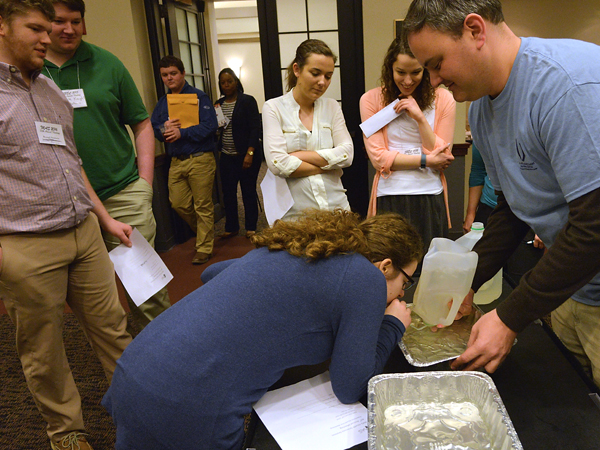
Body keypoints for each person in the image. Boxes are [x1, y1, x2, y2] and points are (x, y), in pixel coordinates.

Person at [102, 209, 421, 450]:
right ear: (385, 266)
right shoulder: (367, 279)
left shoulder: (303, 247)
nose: (402, 293)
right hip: (185, 408)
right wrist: (392, 324)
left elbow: (211, 274)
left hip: (135, 372)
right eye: (405, 282)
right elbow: (350, 386)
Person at [404, 0, 600, 386]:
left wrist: (510, 316)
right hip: (570, 289)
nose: (434, 80)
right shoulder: (480, 110)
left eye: (436, 63)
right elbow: (512, 209)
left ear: (475, 30)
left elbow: (595, 225)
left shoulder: (567, 86)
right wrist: (468, 283)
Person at [0, 1, 132, 448]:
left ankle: (138, 402)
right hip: (26, 244)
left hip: (84, 232)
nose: (47, 36)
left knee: (113, 325)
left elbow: (71, 164)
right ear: (1, 26)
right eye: (35, 28)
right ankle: (67, 433)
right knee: (44, 349)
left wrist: (105, 218)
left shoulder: (50, 90)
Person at [44, 0, 170, 330]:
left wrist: (144, 183)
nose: (68, 29)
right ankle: (119, 357)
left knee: (146, 287)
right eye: (59, 21)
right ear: (45, 23)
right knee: (91, 293)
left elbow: (141, 123)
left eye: (75, 20)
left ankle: (165, 349)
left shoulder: (107, 63)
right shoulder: (30, 69)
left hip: (122, 191)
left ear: (84, 24)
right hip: (64, 201)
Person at [360, 34, 455, 256]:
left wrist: (420, 119)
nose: (408, 80)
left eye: (416, 72)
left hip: (429, 194)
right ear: (390, 69)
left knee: (430, 266)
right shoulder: (371, 100)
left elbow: (444, 155)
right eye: (400, 72)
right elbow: (379, 159)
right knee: (390, 265)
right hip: (390, 194)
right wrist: (427, 161)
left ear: (426, 70)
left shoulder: (443, 99)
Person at [262, 39, 354, 221]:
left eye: (328, 76)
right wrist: (329, 168)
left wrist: (298, 155)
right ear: (297, 69)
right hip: (295, 213)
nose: (322, 82)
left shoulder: (332, 107)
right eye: (315, 73)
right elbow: (277, 164)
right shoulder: (273, 108)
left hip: (336, 206)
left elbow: (347, 154)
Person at [151, 55, 218, 265]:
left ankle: (204, 247)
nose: (169, 78)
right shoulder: (163, 104)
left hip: (200, 158)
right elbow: (155, 127)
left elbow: (210, 126)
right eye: (164, 75)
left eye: (173, 73)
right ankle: (204, 232)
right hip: (175, 161)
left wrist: (183, 133)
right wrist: (165, 130)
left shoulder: (199, 97)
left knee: (202, 205)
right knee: (178, 203)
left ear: (182, 74)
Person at [214, 68, 262, 239]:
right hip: (227, 156)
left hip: (246, 155)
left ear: (236, 82)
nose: (226, 85)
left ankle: (251, 227)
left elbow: (255, 128)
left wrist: (250, 153)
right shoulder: (218, 104)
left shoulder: (247, 101)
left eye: (229, 81)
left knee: (248, 190)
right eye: (223, 82)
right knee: (228, 193)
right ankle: (231, 226)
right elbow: (219, 129)